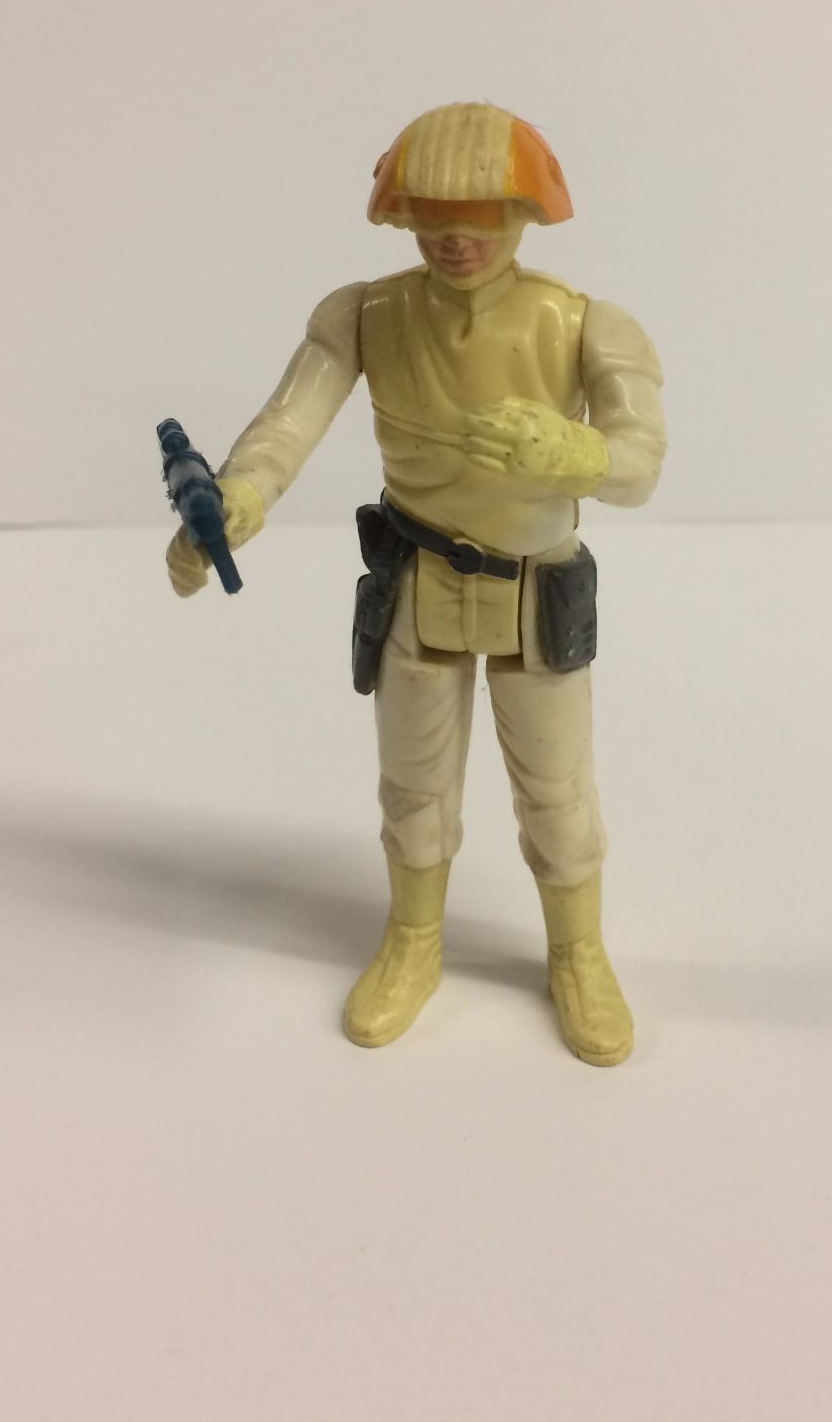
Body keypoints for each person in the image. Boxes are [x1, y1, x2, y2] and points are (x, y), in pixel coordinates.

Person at [166, 102, 665, 1065]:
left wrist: (573, 452)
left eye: (478, 218)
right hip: (418, 578)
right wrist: (238, 498)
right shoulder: (366, 316)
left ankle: (578, 951)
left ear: (523, 214)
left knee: (558, 793)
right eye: (433, 217)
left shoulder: (584, 325)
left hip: (535, 590)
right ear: (401, 215)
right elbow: (289, 424)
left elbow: (640, 463)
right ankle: (413, 937)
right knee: (413, 787)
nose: (455, 239)